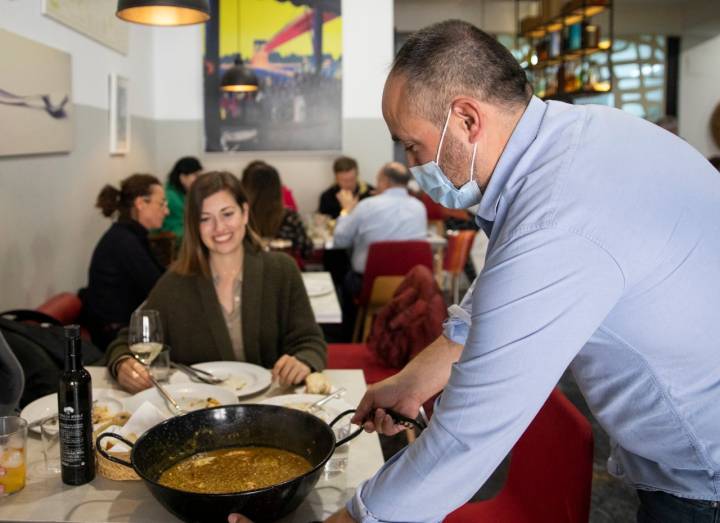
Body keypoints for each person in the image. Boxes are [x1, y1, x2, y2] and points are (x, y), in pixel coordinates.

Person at [228, 19, 720, 523]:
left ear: (466, 119)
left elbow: (464, 444)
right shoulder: (573, 143)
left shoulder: (558, 214)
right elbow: (489, 305)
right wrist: (414, 379)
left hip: (703, 480)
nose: (412, 166)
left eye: (412, 146)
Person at [107, 171, 326, 394]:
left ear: (245, 213)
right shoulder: (175, 283)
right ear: (194, 226)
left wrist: (304, 361)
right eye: (205, 218)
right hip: (200, 411)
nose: (219, 227)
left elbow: (310, 341)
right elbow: (127, 342)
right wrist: (123, 364)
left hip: (273, 404)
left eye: (227, 214)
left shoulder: (281, 270)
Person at [81, 174, 167, 351]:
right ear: (141, 203)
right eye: (161, 204)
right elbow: (159, 290)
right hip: (116, 338)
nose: (167, 211)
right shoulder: (124, 242)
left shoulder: (128, 236)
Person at [333, 161, 427, 296]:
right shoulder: (420, 207)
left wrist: (346, 211)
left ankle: (354, 317)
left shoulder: (367, 206)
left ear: (384, 181)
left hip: (371, 285)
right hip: (410, 287)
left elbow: (340, 241)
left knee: (343, 279)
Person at [241, 162, 313, 259]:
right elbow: (307, 250)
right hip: (285, 270)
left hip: (249, 270)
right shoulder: (290, 217)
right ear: (278, 188)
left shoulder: (241, 217)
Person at [160, 156, 203, 244]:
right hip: (175, 242)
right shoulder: (170, 197)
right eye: (196, 175)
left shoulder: (185, 194)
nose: (200, 180)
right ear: (183, 177)